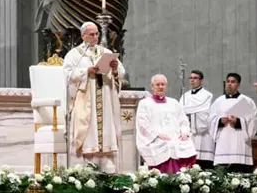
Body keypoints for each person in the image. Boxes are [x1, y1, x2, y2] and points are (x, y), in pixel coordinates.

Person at [63, 21, 125, 173]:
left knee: (106, 129)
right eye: (91, 34)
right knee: (87, 129)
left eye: (97, 33)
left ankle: (107, 167)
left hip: (104, 97)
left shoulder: (105, 52)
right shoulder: (74, 55)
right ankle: (87, 166)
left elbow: (121, 73)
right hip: (85, 98)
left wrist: (115, 69)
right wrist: (86, 71)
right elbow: (67, 75)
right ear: (83, 35)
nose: (95, 37)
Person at [136, 74, 197, 173]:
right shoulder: (145, 103)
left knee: (185, 145)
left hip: (174, 137)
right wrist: (157, 135)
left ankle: (182, 179)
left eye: (163, 84)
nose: (161, 87)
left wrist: (184, 132)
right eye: (158, 84)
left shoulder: (174, 103)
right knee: (168, 145)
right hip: (156, 139)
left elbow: (183, 120)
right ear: (152, 87)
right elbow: (142, 124)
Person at [207, 73, 257, 173]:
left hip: (239, 143)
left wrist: (238, 122)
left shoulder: (247, 101)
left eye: (233, 82)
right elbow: (210, 120)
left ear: (238, 85)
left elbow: (254, 120)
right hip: (223, 142)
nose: (230, 84)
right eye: (228, 81)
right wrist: (219, 121)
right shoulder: (218, 101)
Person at [179, 70, 214, 169]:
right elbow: (180, 113)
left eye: (195, 78)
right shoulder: (184, 96)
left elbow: (208, 114)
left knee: (203, 165)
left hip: (203, 135)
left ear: (201, 80)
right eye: (191, 78)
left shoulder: (207, 96)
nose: (192, 80)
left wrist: (193, 112)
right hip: (188, 135)